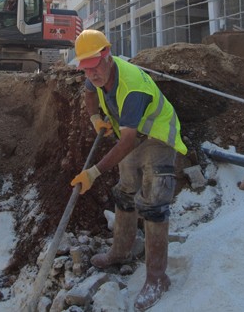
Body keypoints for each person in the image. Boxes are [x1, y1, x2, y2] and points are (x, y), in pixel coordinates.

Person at [69, 29, 188, 311]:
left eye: (96, 66)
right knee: (125, 193)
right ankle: (121, 252)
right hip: (132, 135)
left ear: (107, 56)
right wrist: (96, 117)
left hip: (157, 136)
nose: (92, 74)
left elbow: (127, 142)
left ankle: (158, 278)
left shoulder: (132, 87)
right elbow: (89, 94)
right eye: (85, 69)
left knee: (154, 204)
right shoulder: (93, 74)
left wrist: (94, 173)